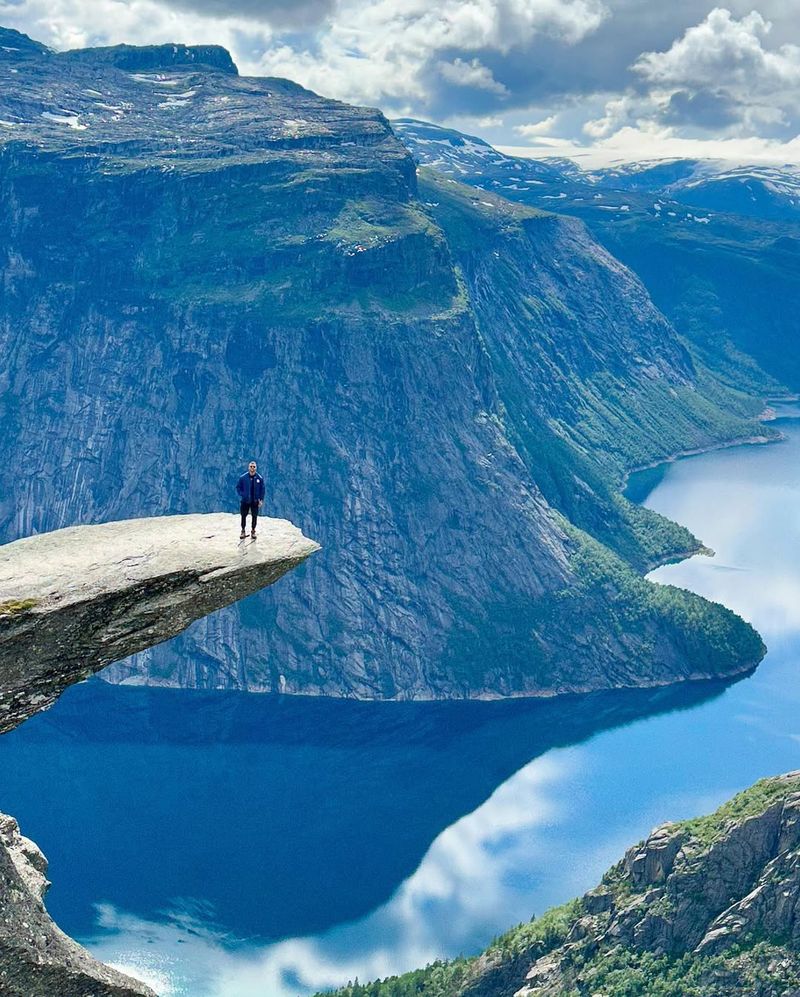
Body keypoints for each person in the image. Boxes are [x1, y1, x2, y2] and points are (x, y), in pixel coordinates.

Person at [236, 460, 265, 539]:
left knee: (254, 516)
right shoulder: (243, 478)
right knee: (243, 516)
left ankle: (253, 531)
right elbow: (238, 487)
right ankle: (243, 531)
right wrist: (243, 495)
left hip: (255, 501)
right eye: (251, 467)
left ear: (256, 468)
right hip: (245, 501)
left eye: (254, 467)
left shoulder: (259, 478)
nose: (252, 468)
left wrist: (261, 500)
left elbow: (262, 490)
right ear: (248, 468)